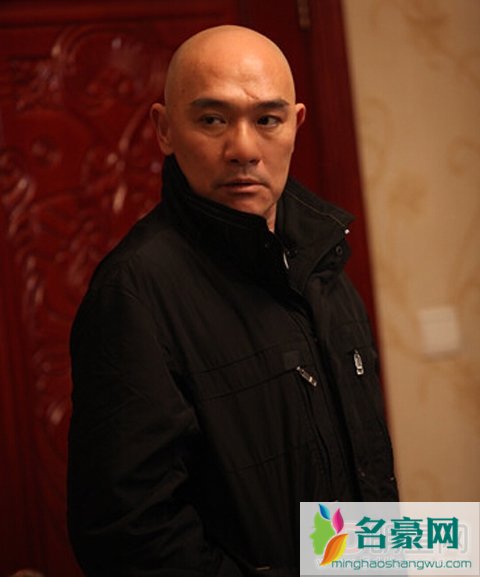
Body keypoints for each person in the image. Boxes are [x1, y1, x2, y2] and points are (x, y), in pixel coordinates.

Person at [68, 25, 398, 577]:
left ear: (295, 125)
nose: (244, 149)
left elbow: (357, 488)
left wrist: (410, 557)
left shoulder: (322, 262)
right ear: (165, 129)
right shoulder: (134, 292)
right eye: (212, 120)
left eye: (267, 120)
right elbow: (128, 537)